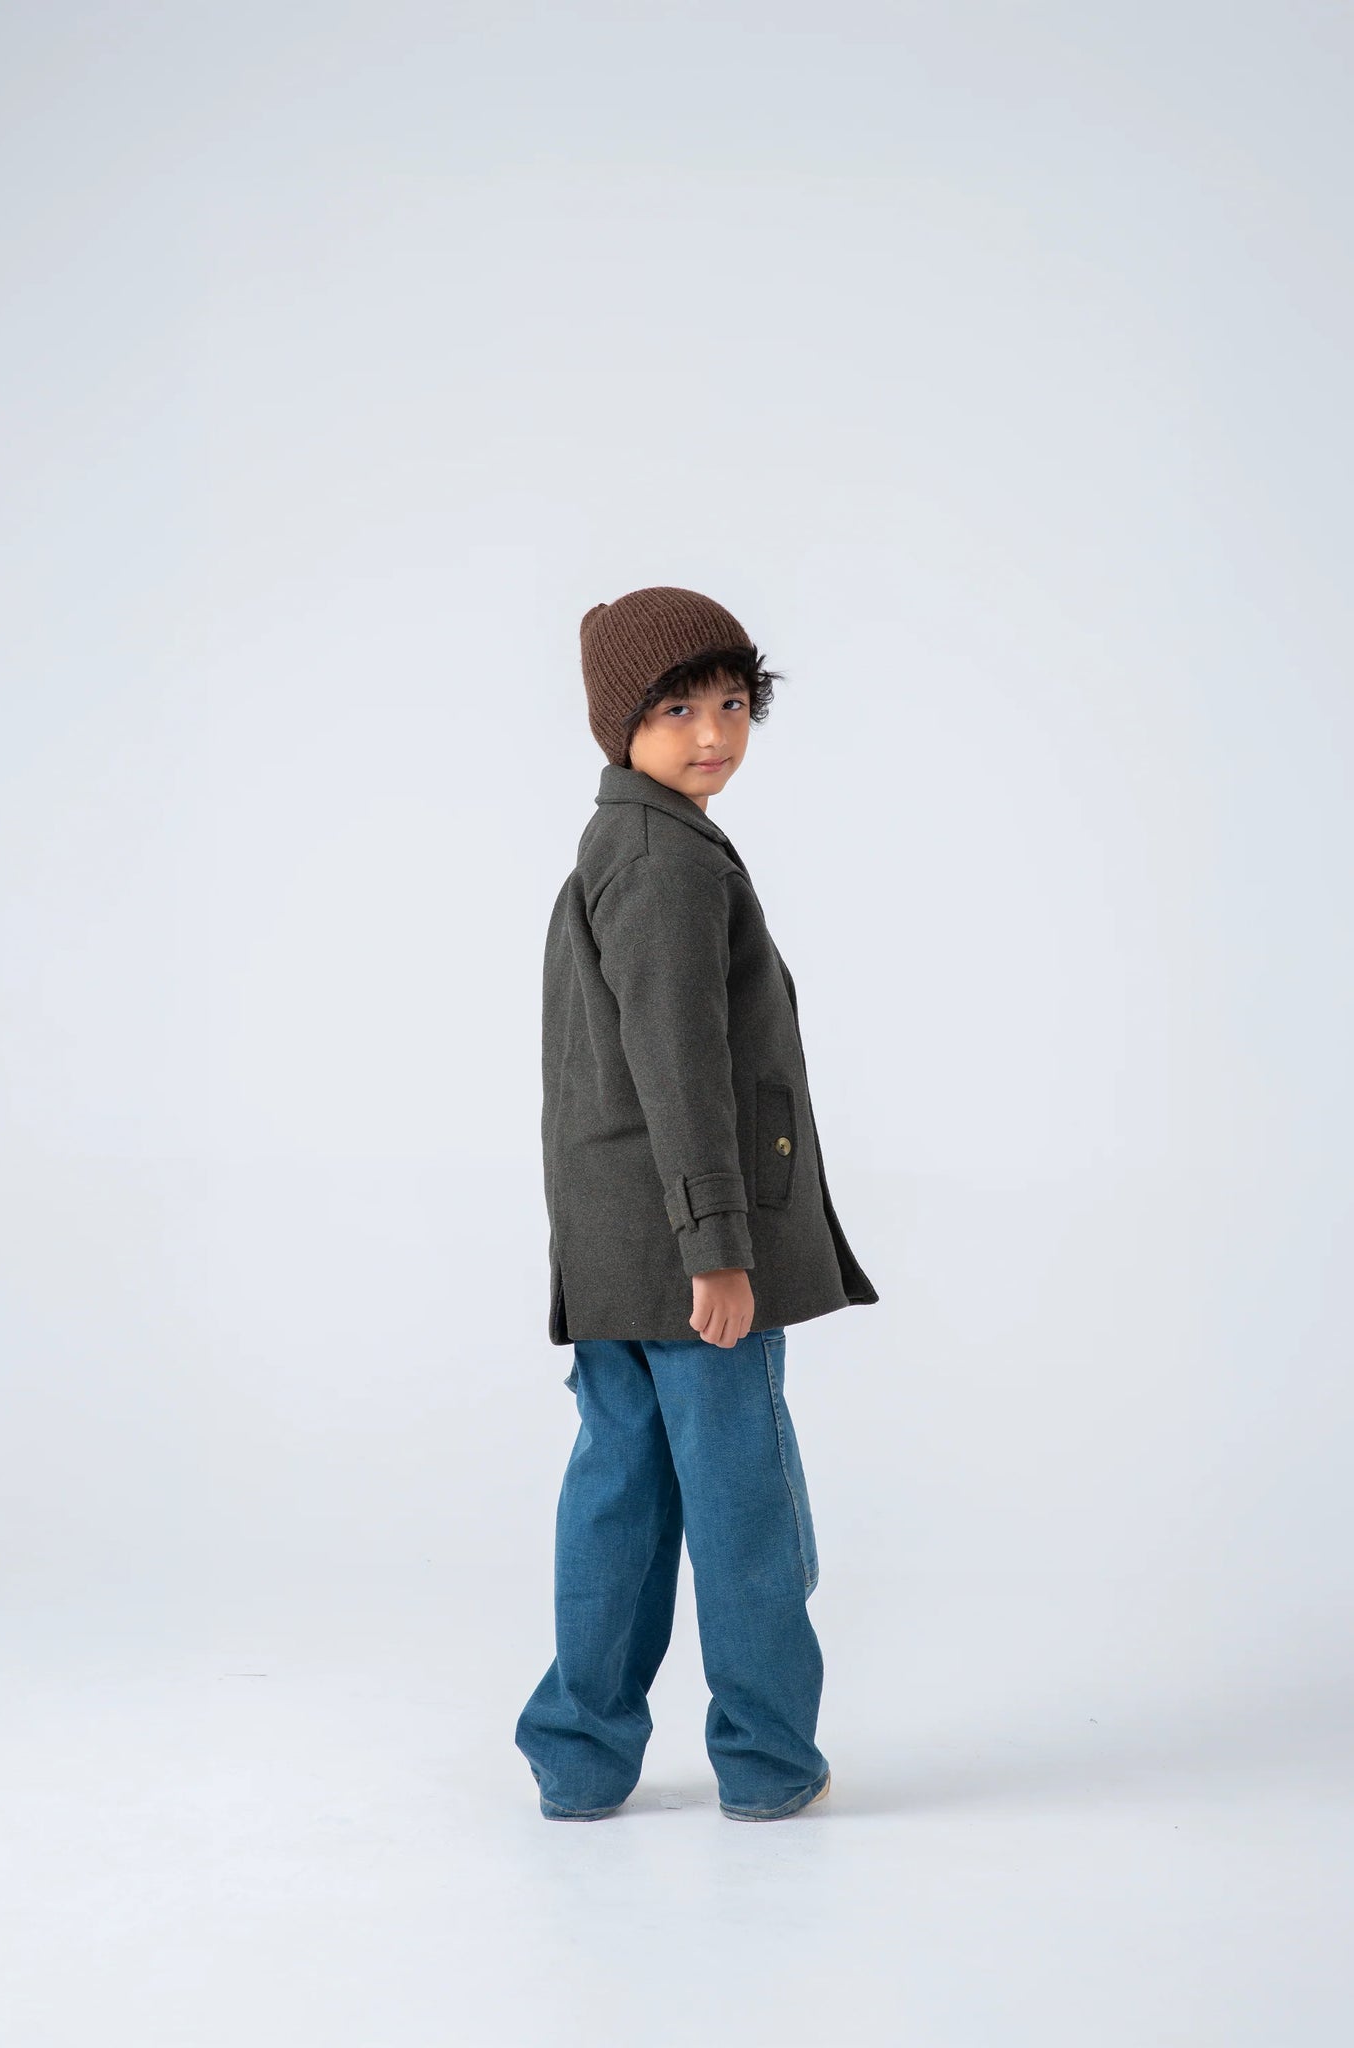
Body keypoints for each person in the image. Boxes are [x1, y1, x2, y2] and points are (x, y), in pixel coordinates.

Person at [514, 584, 879, 1823]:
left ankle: (579, 1758)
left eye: (731, 702)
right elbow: (680, 1067)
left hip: (617, 1245)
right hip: (690, 1253)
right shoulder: (663, 860)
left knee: (620, 1491)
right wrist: (718, 1247)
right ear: (621, 722)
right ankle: (770, 1760)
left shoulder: (622, 843)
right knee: (742, 1506)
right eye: (676, 709)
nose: (713, 732)